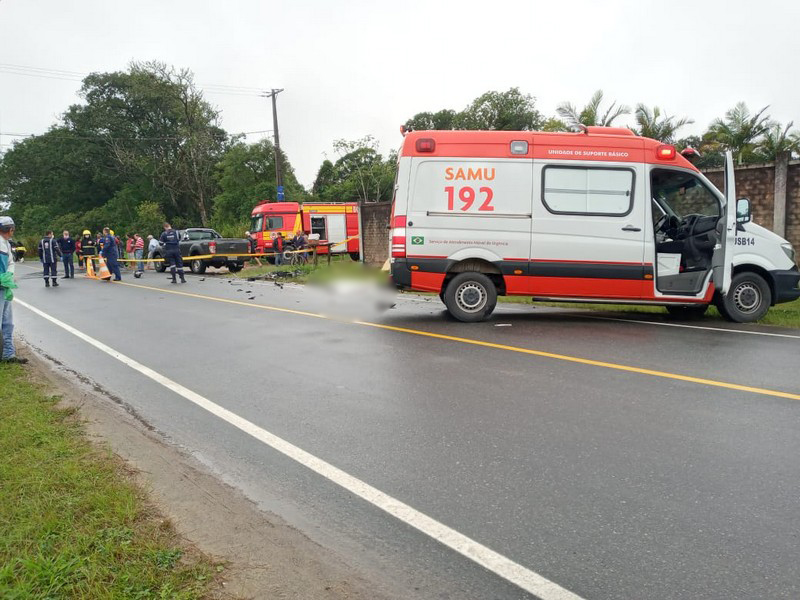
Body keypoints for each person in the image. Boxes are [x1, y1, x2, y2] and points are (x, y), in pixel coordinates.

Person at [0, 217, 26, 364]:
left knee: (7, 323)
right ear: (10, 229)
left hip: (4, 287)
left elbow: (10, 262)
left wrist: (8, 275)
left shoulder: (7, 245)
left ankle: (8, 354)